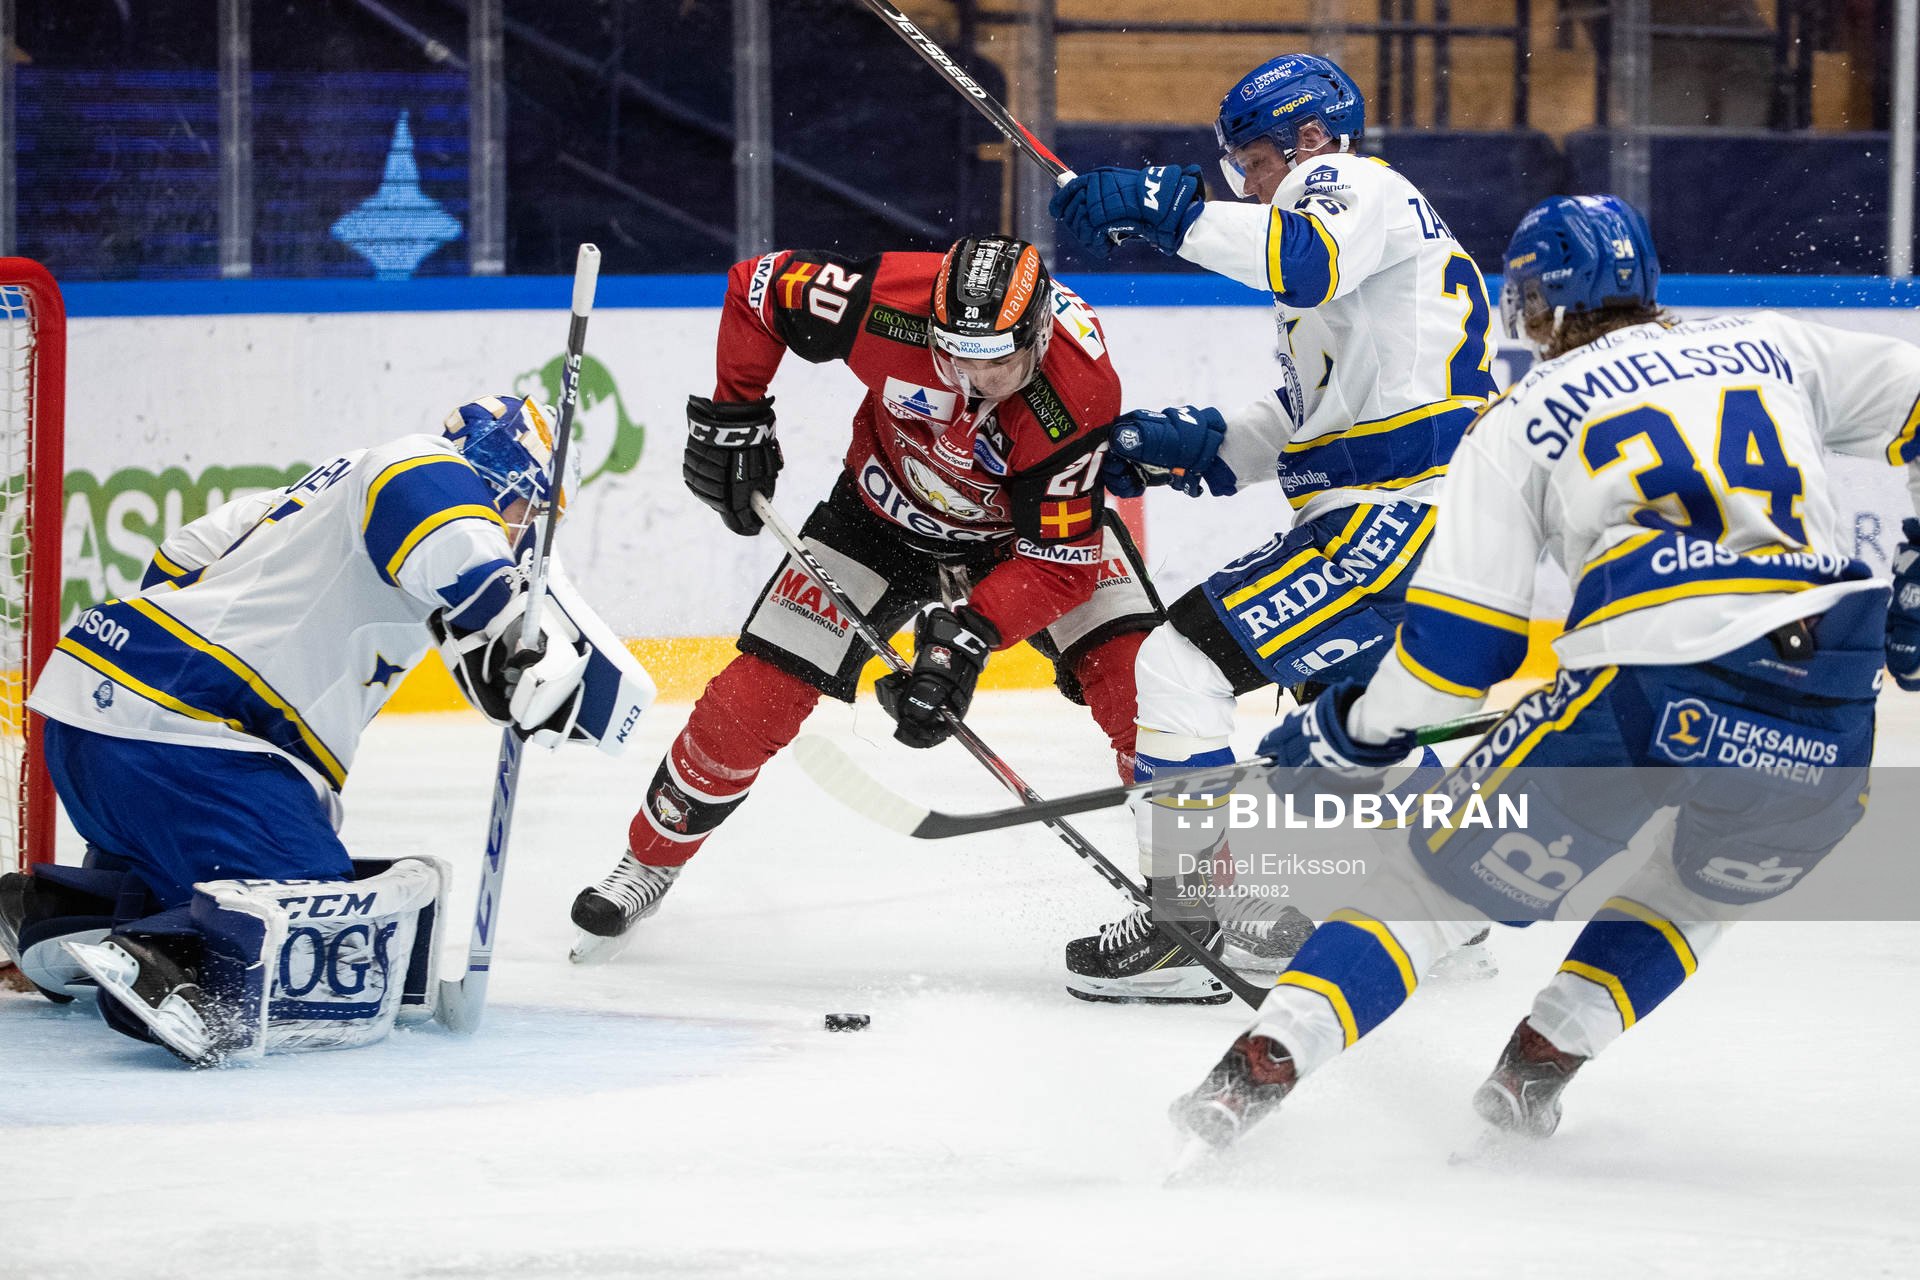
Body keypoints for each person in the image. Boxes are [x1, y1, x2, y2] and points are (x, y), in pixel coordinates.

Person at [1168, 194, 1920, 1148]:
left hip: (1646, 686)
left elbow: (1456, 661)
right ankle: (1538, 1067)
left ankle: (1251, 1077)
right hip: (1832, 701)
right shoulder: (1776, 346)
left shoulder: (1521, 418)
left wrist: (1347, 733)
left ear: (1537, 302)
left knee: (1425, 892)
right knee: (1701, 888)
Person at [0, 396, 657, 1064]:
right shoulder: (422, 465)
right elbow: (424, 495)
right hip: (187, 744)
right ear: (500, 477)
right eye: (531, 511)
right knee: (311, 921)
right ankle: (178, 962)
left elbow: (177, 558)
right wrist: (496, 603)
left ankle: (55, 907)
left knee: (234, 873)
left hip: (95, 722)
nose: (529, 535)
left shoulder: (316, 496)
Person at [569, 236, 1161, 962]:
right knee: (748, 701)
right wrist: (736, 412)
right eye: (955, 356)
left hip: (1026, 544)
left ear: (1038, 334)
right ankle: (649, 859)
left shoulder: (1080, 391)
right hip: (877, 519)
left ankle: (1194, 899)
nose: (974, 378)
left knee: (1147, 689)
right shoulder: (885, 303)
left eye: (997, 362)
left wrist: (966, 638)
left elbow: (1059, 566)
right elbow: (759, 288)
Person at [1046, 54, 1498, 1001]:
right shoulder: (1356, 271)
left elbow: (1301, 251)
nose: (1247, 183)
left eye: (1251, 161)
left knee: (1179, 662)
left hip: (1395, 512)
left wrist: (1163, 210)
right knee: (1359, 723)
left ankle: (1190, 921)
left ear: (1307, 138)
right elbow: (1309, 426)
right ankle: (1445, 908)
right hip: (1423, 509)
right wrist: (1193, 444)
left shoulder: (1351, 183)